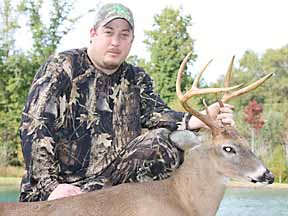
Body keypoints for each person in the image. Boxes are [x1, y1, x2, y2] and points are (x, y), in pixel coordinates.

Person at [19, 2, 234, 202]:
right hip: (56, 192)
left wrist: (201, 119)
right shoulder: (62, 67)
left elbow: (156, 114)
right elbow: (35, 126)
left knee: (164, 142)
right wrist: (51, 187)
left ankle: (129, 208)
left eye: (124, 35)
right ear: (93, 34)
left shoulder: (136, 78)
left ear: (131, 40)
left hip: (105, 188)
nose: (115, 42)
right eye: (109, 32)